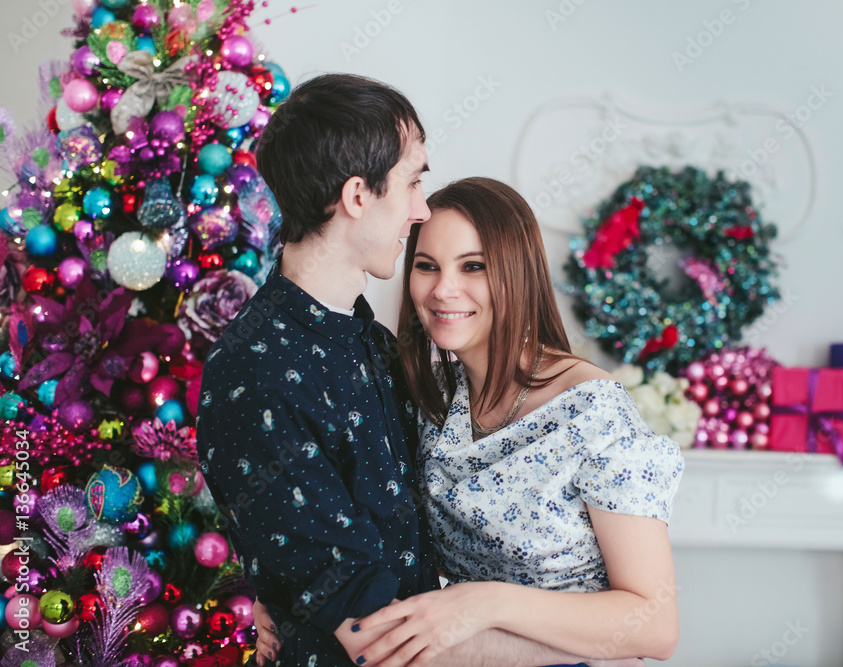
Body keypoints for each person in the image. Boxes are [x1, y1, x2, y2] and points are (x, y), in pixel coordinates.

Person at [200, 74, 638, 667]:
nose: (421, 208)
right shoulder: (256, 372)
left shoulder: (376, 346)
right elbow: (379, 639)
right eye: (412, 181)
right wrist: (589, 651)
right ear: (358, 196)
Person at [254, 177, 684, 666]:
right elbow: (342, 506)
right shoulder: (429, 394)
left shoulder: (594, 413)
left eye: (473, 266)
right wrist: (289, 589)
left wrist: (487, 603)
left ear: (518, 273)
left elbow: (655, 626)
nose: (443, 289)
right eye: (427, 266)